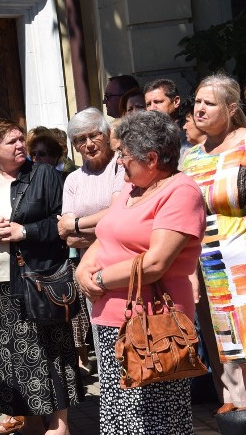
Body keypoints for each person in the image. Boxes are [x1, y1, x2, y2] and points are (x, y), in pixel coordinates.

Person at [76, 111, 206, 434]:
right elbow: (107, 234)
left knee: (154, 422)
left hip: (153, 330)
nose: (119, 162)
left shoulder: (181, 191)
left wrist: (101, 279)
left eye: (124, 155)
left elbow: (154, 263)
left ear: (151, 158)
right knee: (120, 419)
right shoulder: (131, 189)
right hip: (110, 322)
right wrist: (83, 270)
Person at [0, 119, 83, 435]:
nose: (19, 146)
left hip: (38, 279)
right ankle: (27, 419)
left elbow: (61, 224)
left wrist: (23, 231)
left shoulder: (43, 175)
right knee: (12, 356)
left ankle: (59, 425)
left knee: (49, 351)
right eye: (11, 142)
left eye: (20, 140)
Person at [181, 73, 246, 411]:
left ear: (230, 108)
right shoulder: (191, 158)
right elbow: (189, 220)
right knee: (237, 359)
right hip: (214, 270)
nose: (199, 109)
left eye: (208, 103)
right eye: (197, 102)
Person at [56, 108, 126, 374]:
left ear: (107, 134)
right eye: (80, 140)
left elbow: (118, 214)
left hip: (121, 262)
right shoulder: (73, 179)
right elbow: (67, 237)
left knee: (126, 330)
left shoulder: (121, 165)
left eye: (94, 135)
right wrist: (97, 226)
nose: (88, 144)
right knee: (100, 333)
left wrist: (76, 224)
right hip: (90, 267)